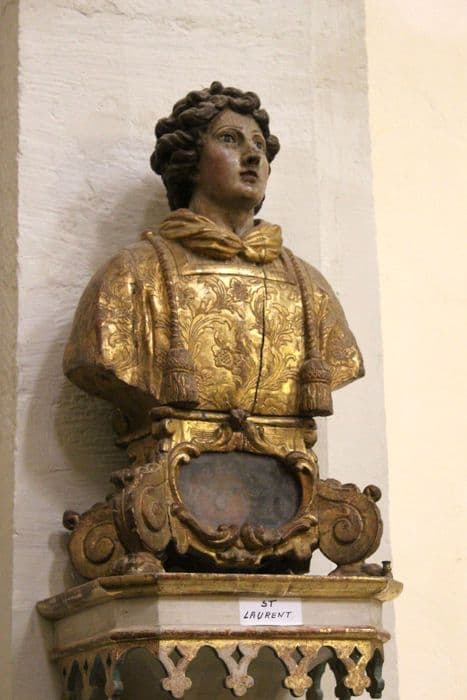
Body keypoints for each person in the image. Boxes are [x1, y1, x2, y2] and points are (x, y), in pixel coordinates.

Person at [64, 82, 364, 437]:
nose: (252, 156)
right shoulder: (132, 275)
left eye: (259, 145)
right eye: (229, 139)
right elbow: (92, 360)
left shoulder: (310, 287)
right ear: (191, 161)